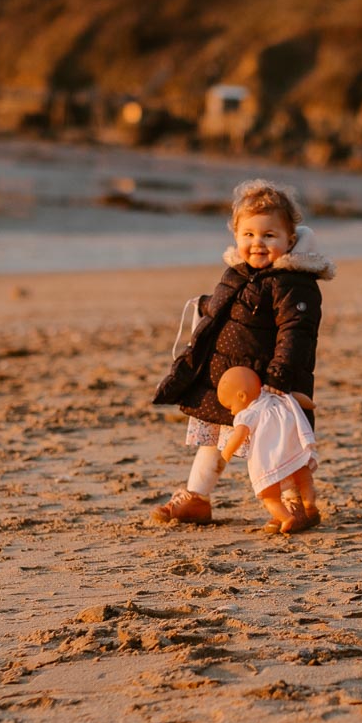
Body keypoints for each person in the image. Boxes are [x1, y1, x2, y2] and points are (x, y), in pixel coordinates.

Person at [152, 179, 335, 525]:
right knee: (213, 440)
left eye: (269, 236)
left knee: (280, 446)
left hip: (271, 384)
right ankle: (197, 497)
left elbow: (297, 331)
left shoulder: (294, 283)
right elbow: (225, 310)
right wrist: (207, 307)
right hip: (228, 381)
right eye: (248, 235)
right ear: (236, 235)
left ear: (290, 240)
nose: (258, 244)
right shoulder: (236, 273)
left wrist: (280, 374)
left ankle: (296, 502)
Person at [215, 366, 320, 533]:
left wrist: (227, 451)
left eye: (230, 406)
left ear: (242, 396)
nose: (232, 411)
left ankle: (286, 518)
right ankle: (309, 503)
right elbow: (297, 399)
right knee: (304, 479)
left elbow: (240, 433)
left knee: (269, 496)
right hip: (293, 451)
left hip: (270, 460)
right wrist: (311, 404)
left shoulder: (248, 413)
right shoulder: (275, 396)